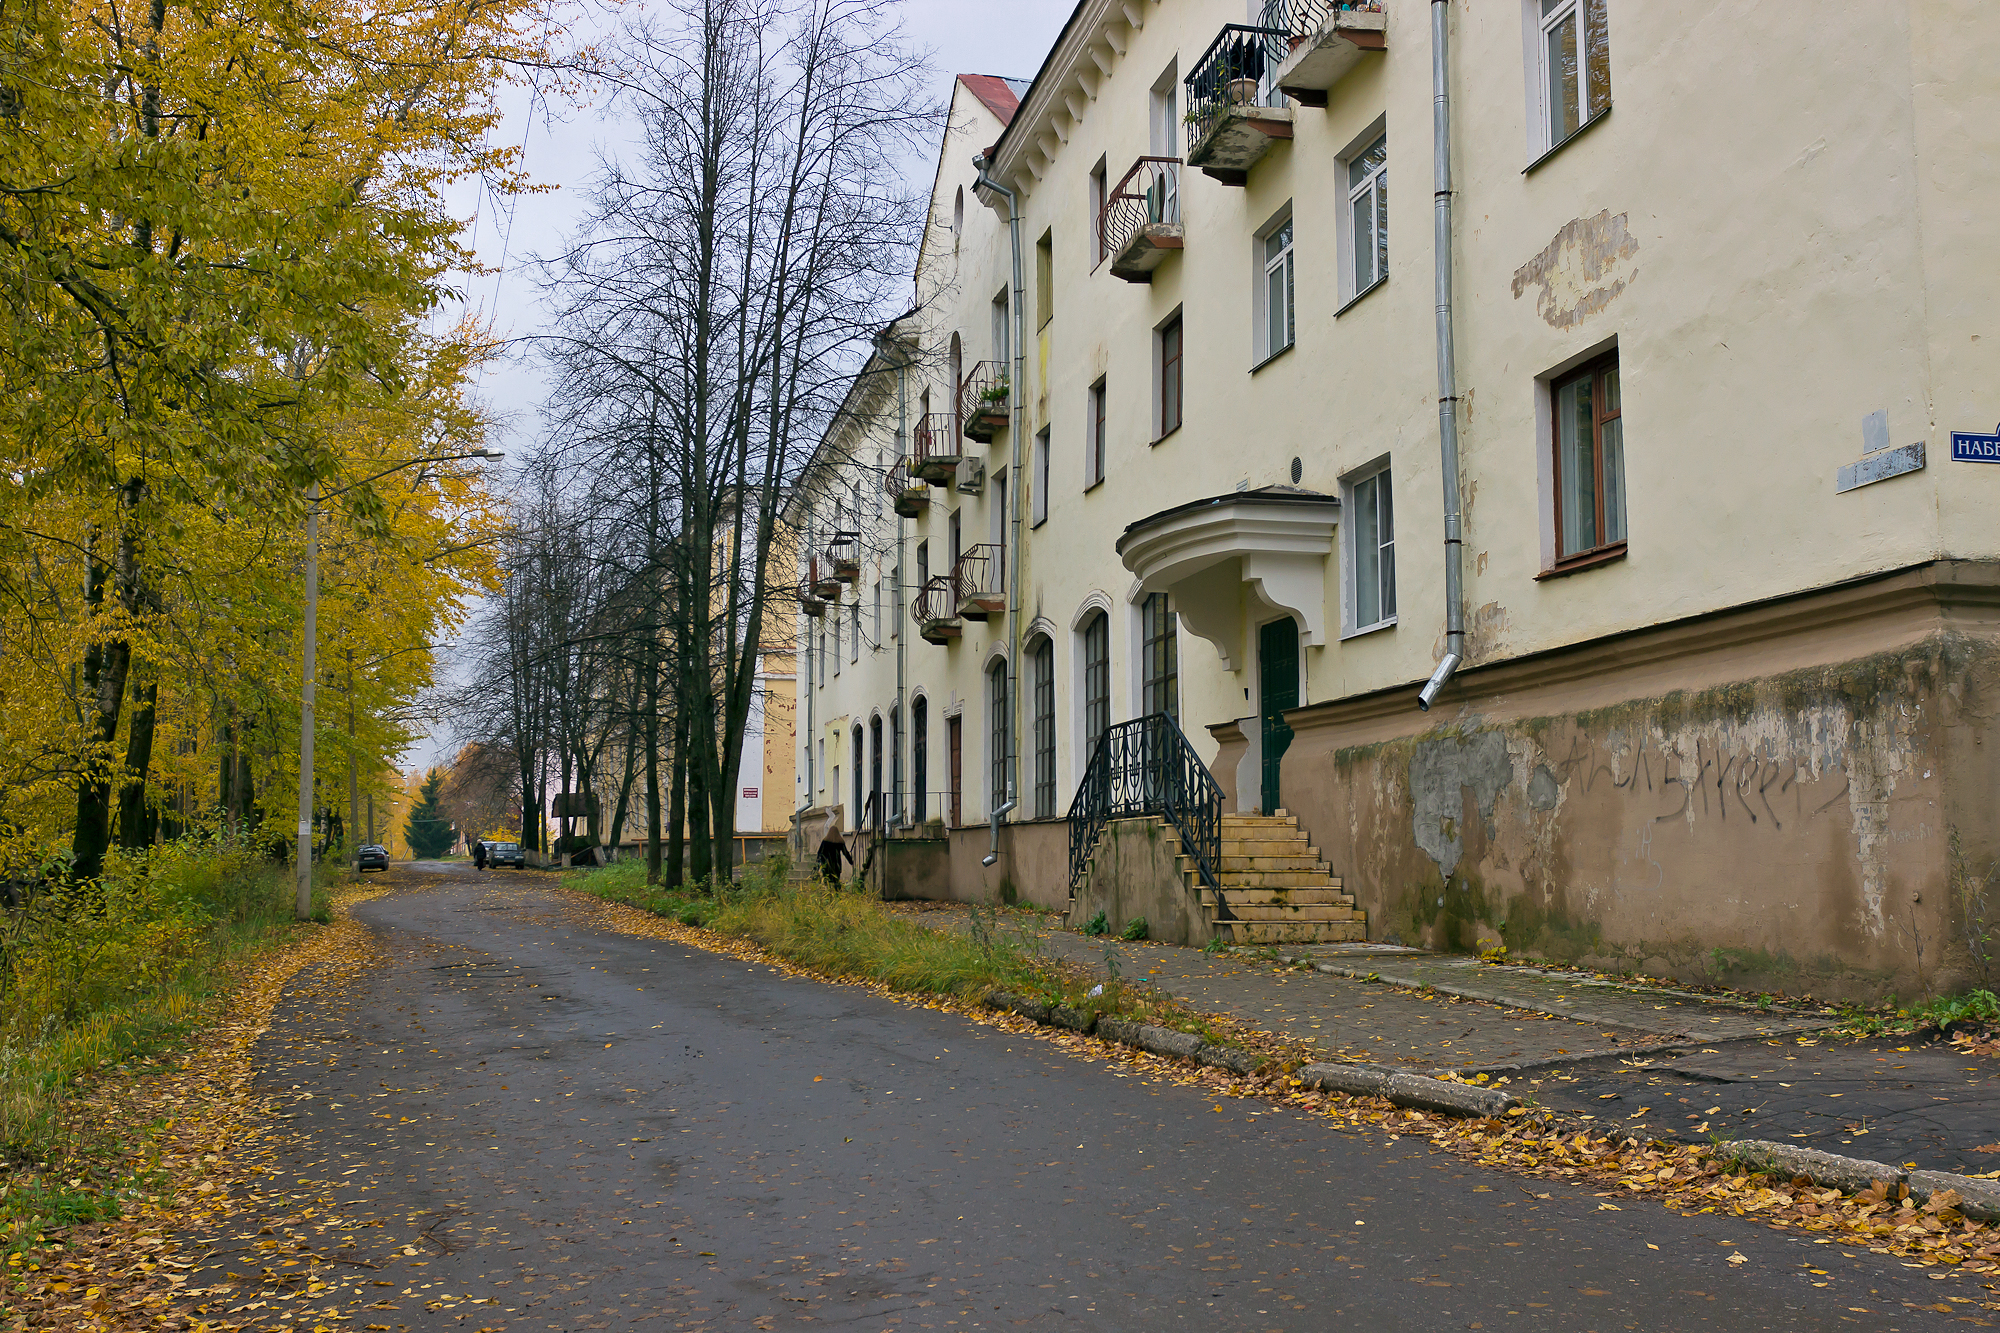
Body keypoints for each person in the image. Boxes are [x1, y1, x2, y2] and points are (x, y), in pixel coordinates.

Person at [816, 810, 852, 885]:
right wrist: (851, 861)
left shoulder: (825, 841)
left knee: (827, 881)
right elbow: (845, 853)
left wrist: (818, 862)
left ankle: (829, 893)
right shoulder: (840, 842)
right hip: (836, 865)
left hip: (827, 864)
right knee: (836, 881)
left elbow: (820, 852)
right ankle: (836, 892)